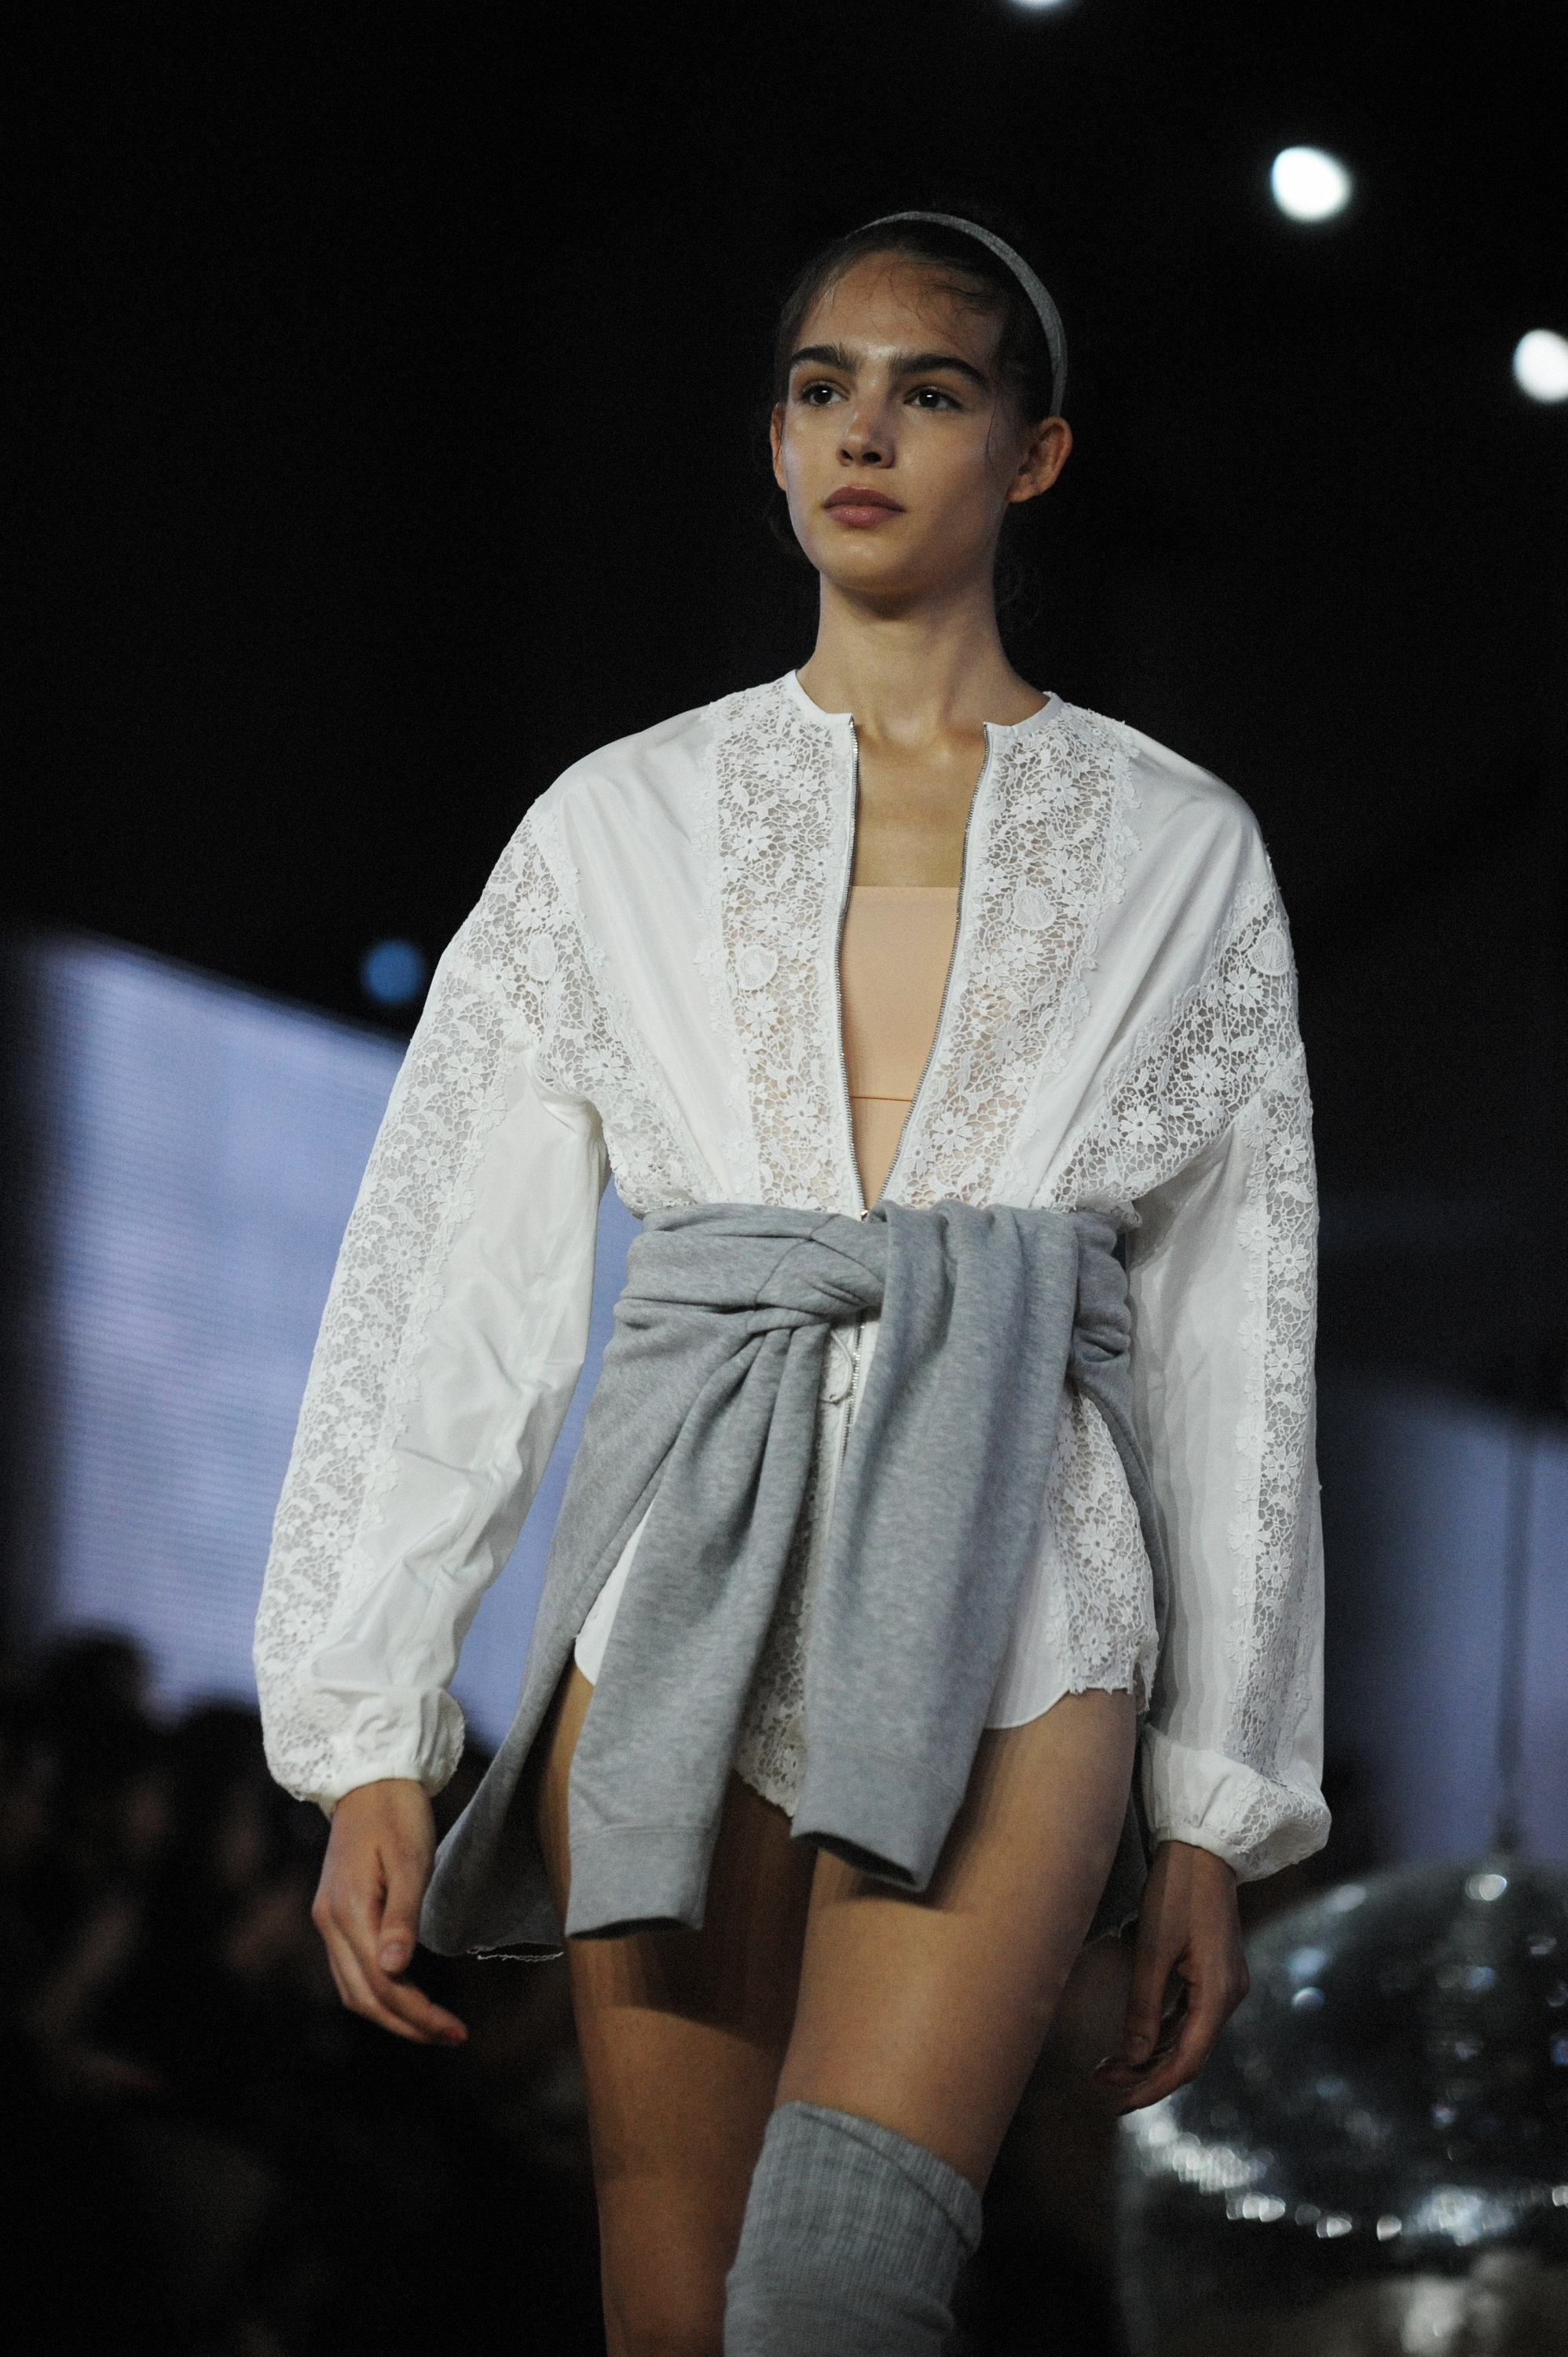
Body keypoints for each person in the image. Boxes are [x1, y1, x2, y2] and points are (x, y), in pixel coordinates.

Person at [255, 207, 1328, 2355]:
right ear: (768, 443)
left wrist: (1217, 1797)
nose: (867, 433)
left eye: (930, 391)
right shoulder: (616, 825)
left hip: (1024, 1573)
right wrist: (369, 1727)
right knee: (673, 2314)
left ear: (1029, 457)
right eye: (824, 389)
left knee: (837, 2293)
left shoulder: (1171, 843)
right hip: (684, 1569)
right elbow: (450, 1261)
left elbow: (1236, 1330)